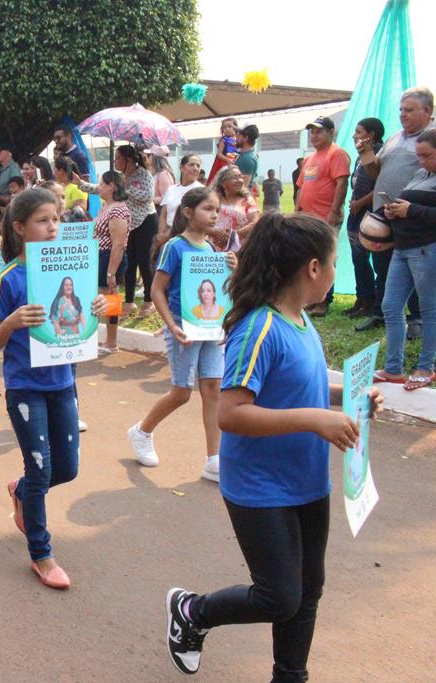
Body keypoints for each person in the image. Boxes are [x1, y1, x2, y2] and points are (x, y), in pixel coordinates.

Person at [165, 212, 384, 682]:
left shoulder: (299, 318)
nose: (333, 271)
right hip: (260, 488)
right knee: (279, 596)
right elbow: (231, 413)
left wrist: (351, 398)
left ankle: (290, 676)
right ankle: (192, 611)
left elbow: (299, 388)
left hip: (307, 482)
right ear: (311, 268)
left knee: (308, 591)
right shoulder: (258, 327)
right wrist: (315, 419)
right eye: (333, 262)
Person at [0, 187, 108, 589]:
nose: (53, 226)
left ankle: (21, 490)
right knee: (40, 470)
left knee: (67, 468)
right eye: (42, 220)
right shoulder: (9, 278)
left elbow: (83, 322)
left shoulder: (72, 267)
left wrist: (98, 309)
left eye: (56, 218)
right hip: (24, 387)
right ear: (20, 228)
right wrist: (12, 322)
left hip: (63, 382)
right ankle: (41, 554)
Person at [128, 188, 234, 483]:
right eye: (208, 209)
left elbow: (220, 291)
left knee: (213, 388)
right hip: (183, 328)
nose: (215, 215)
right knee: (182, 393)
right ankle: (142, 431)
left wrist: (232, 270)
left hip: (210, 330)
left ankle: (213, 460)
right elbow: (157, 290)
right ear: (188, 212)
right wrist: (171, 325)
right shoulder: (175, 247)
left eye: (217, 209)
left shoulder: (212, 249)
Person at [355, 87, 433, 335]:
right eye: (401, 109)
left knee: (416, 271)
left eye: (409, 110)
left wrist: (411, 208)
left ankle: (418, 319)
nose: (402, 114)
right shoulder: (395, 138)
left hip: (415, 218)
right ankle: (380, 313)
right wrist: (367, 154)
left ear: (428, 111)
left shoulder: (431, 139)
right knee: (384, 265)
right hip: (384, 214)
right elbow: (377, 173)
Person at [375, 128, 436, 390]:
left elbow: (423, 211)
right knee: (391, 306)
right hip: (402, 247)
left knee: (429, 308)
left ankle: (426, 367)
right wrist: (394, 211)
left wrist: (411, 209)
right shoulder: (421, 173)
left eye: (427, 155)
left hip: (427, 248)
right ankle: (393, 369)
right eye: (419, 155)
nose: (421, 160)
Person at [296, 116, 351, 317]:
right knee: (308, 258)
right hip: (307, 218)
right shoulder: (310, 158)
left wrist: (334, 212)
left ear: (331, 132)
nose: (314, 135)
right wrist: (297, 211)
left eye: (319, 131)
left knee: (326, 259)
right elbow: (301, 187)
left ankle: (324, 301)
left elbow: (341, 184)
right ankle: (312, 298)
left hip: (326, 218)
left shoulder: (337, 154)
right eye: (312, 132)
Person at [345, 118, 385, 320]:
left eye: (359, 132)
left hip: (371, 215)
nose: (354, 135)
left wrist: (360, 203)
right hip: (356, 212)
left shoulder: (378, 154)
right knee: (357, 258)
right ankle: (362, 298)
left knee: (370, 259)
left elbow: (380, 185)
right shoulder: (362, 154)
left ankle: (372, 302)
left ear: (371, 135)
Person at [86, 171, 130, 352]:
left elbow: (118, 244)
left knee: (109, 297)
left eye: (102, 184)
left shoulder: (118, 209)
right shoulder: (105, 206)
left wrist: (111, 271)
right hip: (100, 255)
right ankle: (104, 340)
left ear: (111, 185)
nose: (99, 187)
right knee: (103, 297)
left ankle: (111, 342)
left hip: (109, 257)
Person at [116, 145, 157, 317]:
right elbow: (103, 188)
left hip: (146, 221)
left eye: (118, 158)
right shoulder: (121, 177)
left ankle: (149, 300)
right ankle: (129, 301)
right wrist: (80, 183)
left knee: (144, 262)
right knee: (129, 263)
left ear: (129, 160)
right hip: (129, 223)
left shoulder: (143, 174)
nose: (115, 162)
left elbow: (148, 196)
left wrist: (126, 188)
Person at [210, 165, 259, 252]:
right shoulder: (211, 198)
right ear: (223, 183)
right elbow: (198, 221)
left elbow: (255, 222)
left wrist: (232, 237)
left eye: (240, 177)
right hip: (213, 249)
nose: (239, 180)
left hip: (239, 250)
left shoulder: (247, 200)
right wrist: (215, 232)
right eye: (234, 177)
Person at [156, 155, 203, 245]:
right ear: (181, 167)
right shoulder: (172, 189)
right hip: (167, 236)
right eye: (191, 165)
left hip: (188, 237)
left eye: (198, 166)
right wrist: (161, 234)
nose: (195, 168)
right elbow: (164, 214)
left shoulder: (200, 190)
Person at [206, 117, 239, 185]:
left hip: (236, 163)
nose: (227, 129)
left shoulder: (238, 139)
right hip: (224, 163)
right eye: (224, 127)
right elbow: (219, 154)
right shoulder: (224, 140)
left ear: (236, 128)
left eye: (229, 126)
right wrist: (227, 160)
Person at [234, 124, 260, 190]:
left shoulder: (247, 159)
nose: (236, 137)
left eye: (239, 134)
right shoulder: (243, 154)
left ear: (246, 138)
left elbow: (242, 188)